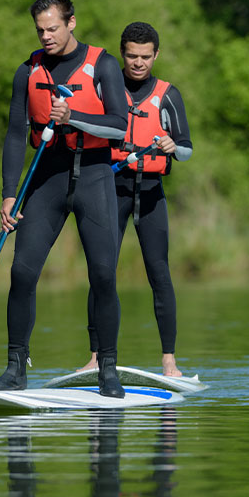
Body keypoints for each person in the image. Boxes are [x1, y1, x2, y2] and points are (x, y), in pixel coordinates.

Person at [0, 0, 129, 397]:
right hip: (46, 178)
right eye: (40, 30)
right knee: (22, 272)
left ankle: (108, 369)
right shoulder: (26, 71)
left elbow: (119, 126)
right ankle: (15, 369)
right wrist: (9, 194)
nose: (46, 36)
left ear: (71, 24)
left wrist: (75, 117)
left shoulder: (102, 64)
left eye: (53, 28)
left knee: (102, 275)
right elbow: (16, 135)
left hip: (95, 177)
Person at [79, 21, 193, 377]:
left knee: (159, 274)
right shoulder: (106, 87)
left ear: (155, 55)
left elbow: (187, 148)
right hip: (111, 191)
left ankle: (169, 361)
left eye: (145, 56)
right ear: (122, 54)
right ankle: (96, 356)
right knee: (102, 272)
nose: (138, 63)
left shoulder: (168, 94)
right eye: (132, 56)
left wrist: (174, 147)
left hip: (150, 194)